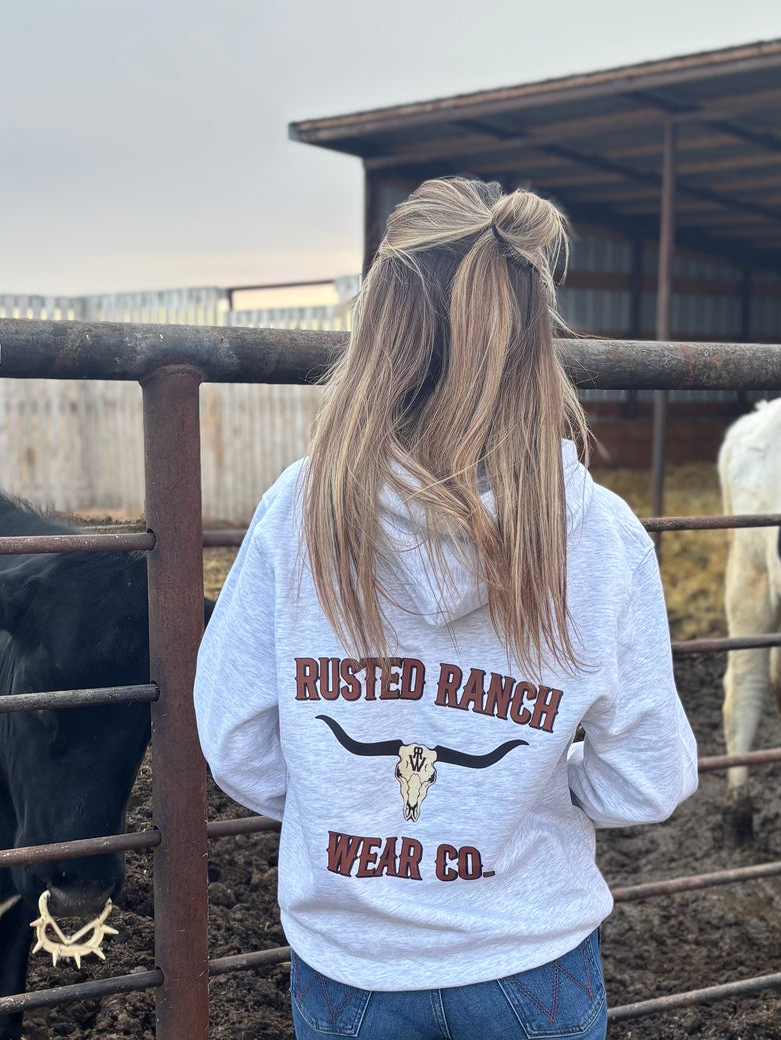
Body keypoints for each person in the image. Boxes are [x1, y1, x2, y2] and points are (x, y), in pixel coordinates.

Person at [193, 177, 698, 1040]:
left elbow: (235, 740)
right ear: (536, 343)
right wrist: (537, 787)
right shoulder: (599, 535)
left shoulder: (297, 511)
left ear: (376, 332)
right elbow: (647, 779)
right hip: (530, 955)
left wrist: (344, 802)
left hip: (354, 962)